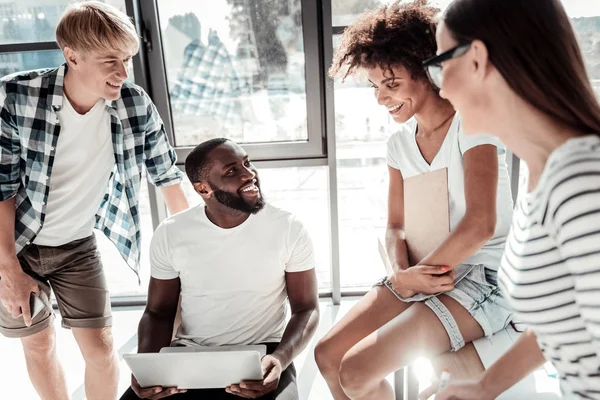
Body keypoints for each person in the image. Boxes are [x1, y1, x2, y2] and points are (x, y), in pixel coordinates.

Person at [314, 1, 515, 399]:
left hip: (482, 276)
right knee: (327, 356)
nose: (381, 98)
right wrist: (399, 273)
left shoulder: (472, 125)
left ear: (427, 71)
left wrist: (419, 272)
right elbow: (394, 227)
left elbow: (480, 225)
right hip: (422, 272)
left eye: (392, 84)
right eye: (375, 86)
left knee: (355, 371)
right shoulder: (398, 145)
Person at [0, 2, 189, 399]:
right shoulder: (17, 96)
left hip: (77, 246)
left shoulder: (133, 103)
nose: (123, 73)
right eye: (111, 61)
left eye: (127, 60)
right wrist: (11, 273)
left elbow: (168, 178)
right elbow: (0, 189)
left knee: (102, 351)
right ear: (72, 56)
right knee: (39, 343)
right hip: (14, 247)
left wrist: (193, 260)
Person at [420, 0, 600, 399]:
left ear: (477, 59)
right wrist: (484, 387)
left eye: (441, 65)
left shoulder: (581, 181)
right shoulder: (541, 176)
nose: (442, 88)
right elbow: (561, 323)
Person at [121, 138, 319, 400]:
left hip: (263, 354)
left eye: (247, 163)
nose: (250, 174)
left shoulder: (288, 228)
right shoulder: (171, 233)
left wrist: (280, 359)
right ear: (203, 189)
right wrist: (148, 366)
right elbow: (158, 312)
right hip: (189, 355)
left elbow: (307, 308)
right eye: (231, 170)